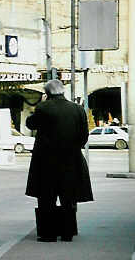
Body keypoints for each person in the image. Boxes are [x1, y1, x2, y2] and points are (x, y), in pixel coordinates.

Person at [25, 79, 93, 242]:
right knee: (68, 197)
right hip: (71, 159)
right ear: (63, 91)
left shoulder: (43, 108)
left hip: (46, 160)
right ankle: (67, 233)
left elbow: (30, 124)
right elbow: (84, 135)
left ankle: (48, 234)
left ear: (47, 93)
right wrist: (74, 148)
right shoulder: (77, 109)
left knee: (46, 197)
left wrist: (40, 105)